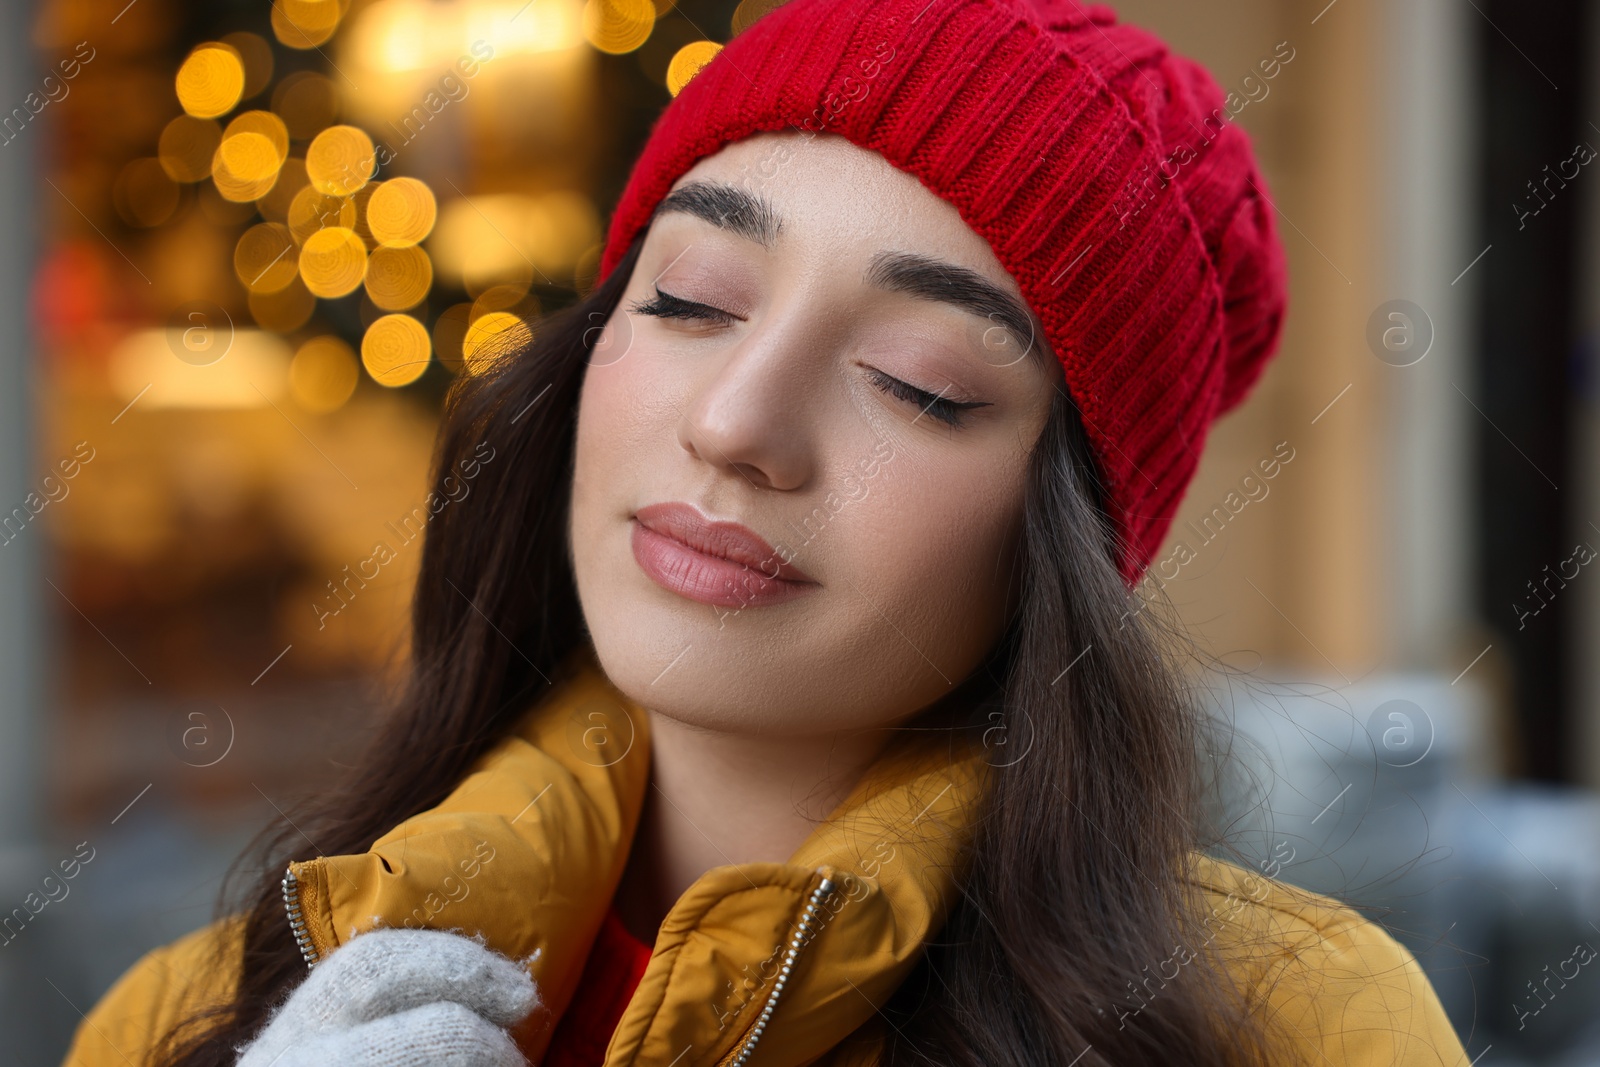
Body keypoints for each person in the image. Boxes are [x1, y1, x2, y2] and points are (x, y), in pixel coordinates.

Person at [62, 0, 1472, 1064]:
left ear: (1061, 543)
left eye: (919, 382)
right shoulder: (205, 1019)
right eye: (690, 299)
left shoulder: (1296, 1029)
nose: (737, 422)